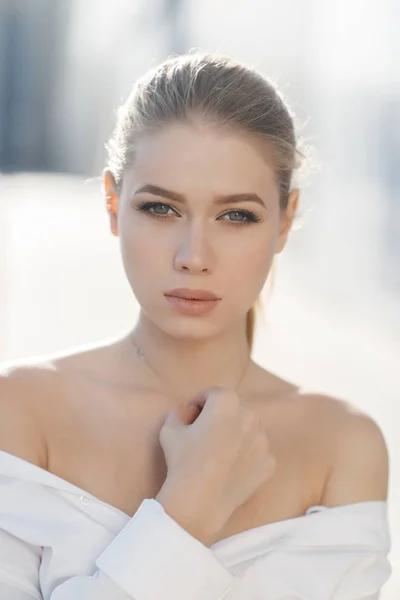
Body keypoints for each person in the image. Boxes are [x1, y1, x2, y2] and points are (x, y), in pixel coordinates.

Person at [0, 52, 391, 599]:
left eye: (237, 215)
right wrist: (187, 510)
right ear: (113, 204)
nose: (193, 256)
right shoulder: (19, 414)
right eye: (161, 209)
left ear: (284, 220)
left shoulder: (343, 446)